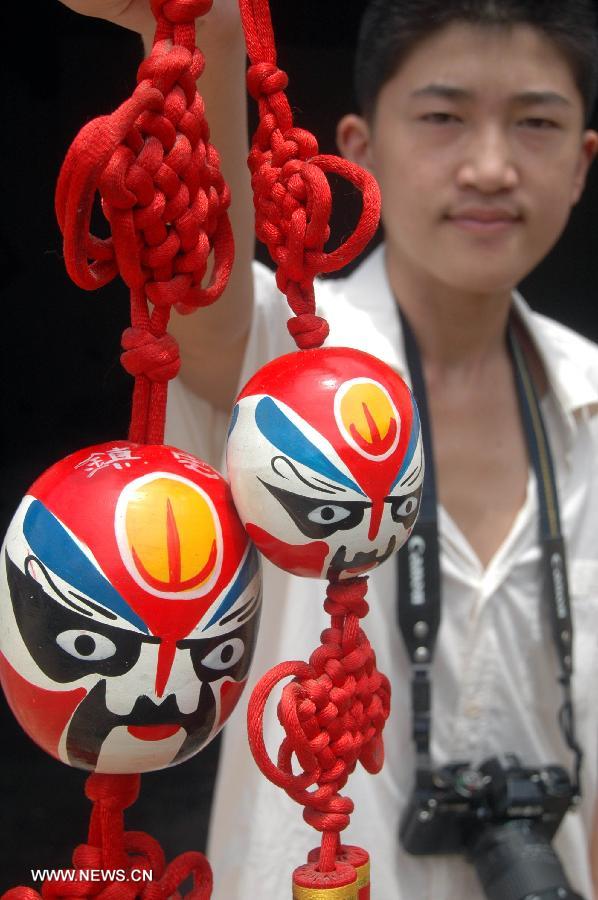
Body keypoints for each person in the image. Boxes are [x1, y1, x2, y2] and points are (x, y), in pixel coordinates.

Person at [57, 1, 598, 897]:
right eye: (443, 116)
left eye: (537, 122)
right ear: (361, 147)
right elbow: (203, 287)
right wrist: (211, 30)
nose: (493, 165)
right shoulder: (283, 367)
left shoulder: (588, 398)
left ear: (583, 163)